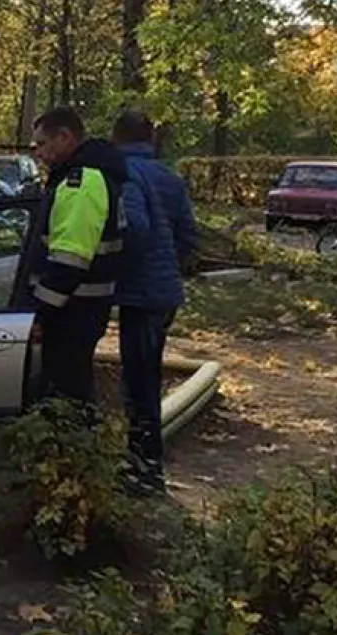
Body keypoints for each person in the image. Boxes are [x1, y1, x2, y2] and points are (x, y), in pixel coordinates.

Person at [110, 111, 198, 495]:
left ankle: (145, 472)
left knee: (138, 382)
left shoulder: (125, 173)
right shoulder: (169, 177)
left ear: (116, 138)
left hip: (141, 293)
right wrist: (168, 267)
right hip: (164, 293)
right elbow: (189, 237)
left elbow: (136, 230)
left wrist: (123, 271)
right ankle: (144, 464)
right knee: (148, 376)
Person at [27, 106, 129, 407]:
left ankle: (68, 451)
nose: (38, 154)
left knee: (66, 397)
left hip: (72, 312)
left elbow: (69, 261)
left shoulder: (80, 182)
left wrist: (39, 312)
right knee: (70, 391)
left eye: (42, 144)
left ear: (64, 137)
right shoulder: (87, 176)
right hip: (80, 309)